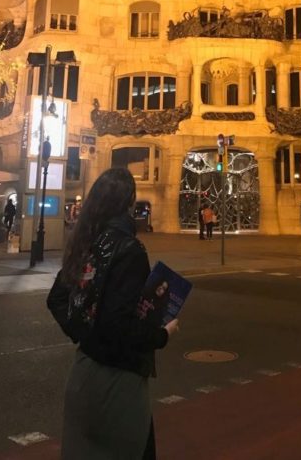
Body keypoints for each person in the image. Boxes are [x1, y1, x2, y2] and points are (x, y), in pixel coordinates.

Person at [56, 167, 179, 460]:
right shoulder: (129, 249)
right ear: (128, 203)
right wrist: (163, 334)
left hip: (83, 373)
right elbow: (118, 325)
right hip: (117, 384)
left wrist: (86, 332)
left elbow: (57, 299)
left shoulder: (88, 242)